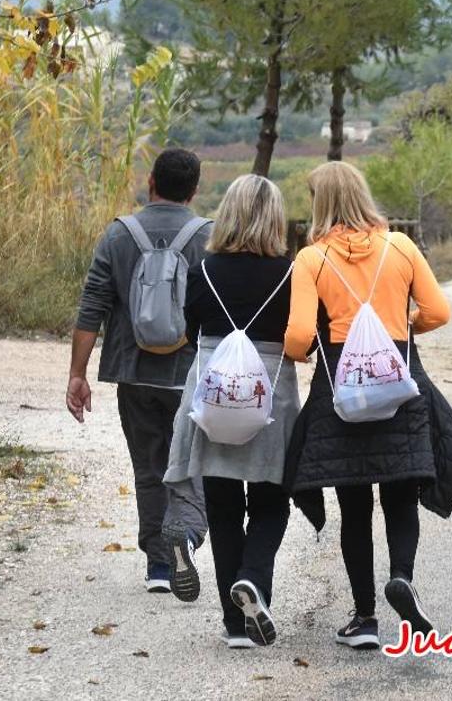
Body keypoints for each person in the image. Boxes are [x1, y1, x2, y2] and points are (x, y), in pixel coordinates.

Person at [283, 161, 452, 651]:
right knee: (401, 493)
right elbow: (439, 311)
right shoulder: (399, 246)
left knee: (354, 504)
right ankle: (402, 577)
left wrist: (313, 344)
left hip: (342, 390)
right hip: (398, 380)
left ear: (321, 203)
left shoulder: (311, 259)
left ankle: (364, 618)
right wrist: (398, 333)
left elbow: (297, 340)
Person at [67, 148, 211, 594]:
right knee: (191, 464)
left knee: (149, 469)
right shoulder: (208, 236)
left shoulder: (118, 235)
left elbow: (91, 307)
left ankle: (159, 568)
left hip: (133, 373)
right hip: (189, 374)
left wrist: (78, 374)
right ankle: (184, 534)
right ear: (194, 190)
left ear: (151, 182)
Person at [163, 175, 298, 649]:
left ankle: (233, 623)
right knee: (271, 502)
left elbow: (189, 328)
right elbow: (297, 339)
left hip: (215, 387)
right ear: (275, 217)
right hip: (269, 393)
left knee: (221, 506)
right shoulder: (290, 272)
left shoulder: (203, 269)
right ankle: (254, 581)